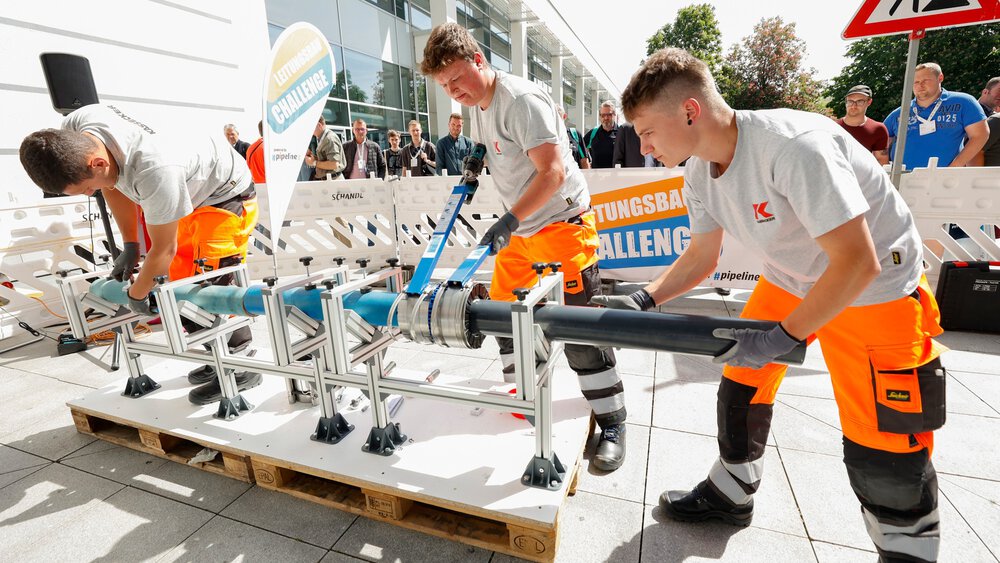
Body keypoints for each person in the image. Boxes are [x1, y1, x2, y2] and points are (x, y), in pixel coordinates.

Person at [593, 48, 948, 563]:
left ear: (690, 112)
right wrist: (644, 299)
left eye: (647, 132)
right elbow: (701, 257)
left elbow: (856, 264)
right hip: (792, 277)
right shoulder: (698, 172)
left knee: (883, 439)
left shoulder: (794, 147)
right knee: (741, 380)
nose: (643, 146)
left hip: (876, 288)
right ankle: (732, 494)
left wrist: (785, 336)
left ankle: (908, 553)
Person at [422, 22, 628, 471]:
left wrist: (509, 219)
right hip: (523, 233)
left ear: (479, 60)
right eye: (444, 86)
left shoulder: (522, 100)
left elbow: (552, 171)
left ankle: (612, 420)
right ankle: (527, 395)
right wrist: (477, 161)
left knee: (578, 329)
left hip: (562, 224)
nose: (454, 92)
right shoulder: (478, 100)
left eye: (456, 79)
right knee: (500, 313)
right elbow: (489, 138)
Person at [20, 104, 261, 405]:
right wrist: (131, 245)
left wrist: (137, 293)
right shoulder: (79, 125)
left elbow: (163, 249)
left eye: (86, 189)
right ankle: (218, 354)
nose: (87, 194)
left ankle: (241, 363)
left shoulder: (155, 170)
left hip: (224, 195)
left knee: (206, 285)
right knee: (180, 282)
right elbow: (112, 184)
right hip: (185, 186)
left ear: (96, 164)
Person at [884, 62, 988, 170]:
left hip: (946, 179)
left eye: (925, 81)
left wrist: (954, 167)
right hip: (903, 179)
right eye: (915, 82)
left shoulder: (963, 103)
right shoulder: (900, 113)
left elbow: (980, 135)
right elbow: (879, 143)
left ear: (940, 78)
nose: (920, 85)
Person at [836, 85, 890, 165]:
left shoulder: (878, 129)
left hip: (864, 176)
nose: (854, 106)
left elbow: (882, 162)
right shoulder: (833, 127)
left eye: (859, 101)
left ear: (869, 102)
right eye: (850, 101)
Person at [306, 116, 345, 180]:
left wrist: (314, 162)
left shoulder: (329, 139)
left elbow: (334, 164)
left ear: (319, 125)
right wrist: (313, 157)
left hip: (333, 180)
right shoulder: (324, 138)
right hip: (330, 179)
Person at [583, 101, 618, 168]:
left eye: (609, 115)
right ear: (599, 116)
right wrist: (586, 162)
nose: (606, 118)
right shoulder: (593, 133)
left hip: (615, 176)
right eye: (603, 115)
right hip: (596, 176)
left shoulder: (621, 132)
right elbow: (580, 148)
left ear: (614, 115)